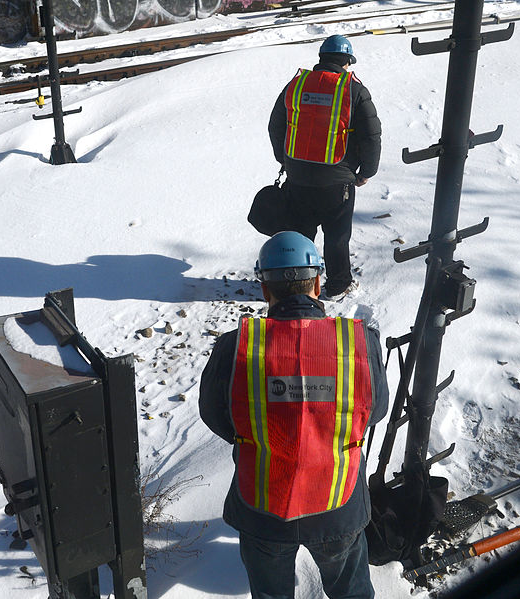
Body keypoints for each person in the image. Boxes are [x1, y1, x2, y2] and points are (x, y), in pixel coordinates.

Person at [199, 231, 389, 599]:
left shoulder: (236, 345)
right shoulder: (359, 342)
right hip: (339, 502)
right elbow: (374, 411)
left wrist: (260, 438)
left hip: (262, 506)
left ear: (265, 289)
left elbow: (214, 414)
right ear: (318, 282)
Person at [268, 34, 382, 298]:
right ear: (346, 62)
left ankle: (295, 284)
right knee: (336, 238)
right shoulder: (353, 89)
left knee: (300, 234)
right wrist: (366, 172)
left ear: (321, 58)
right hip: (336, 181)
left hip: (297, 178)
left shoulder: (296, 84)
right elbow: (371, 135)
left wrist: (284, 159)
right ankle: (339, 285)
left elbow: (276, 125)